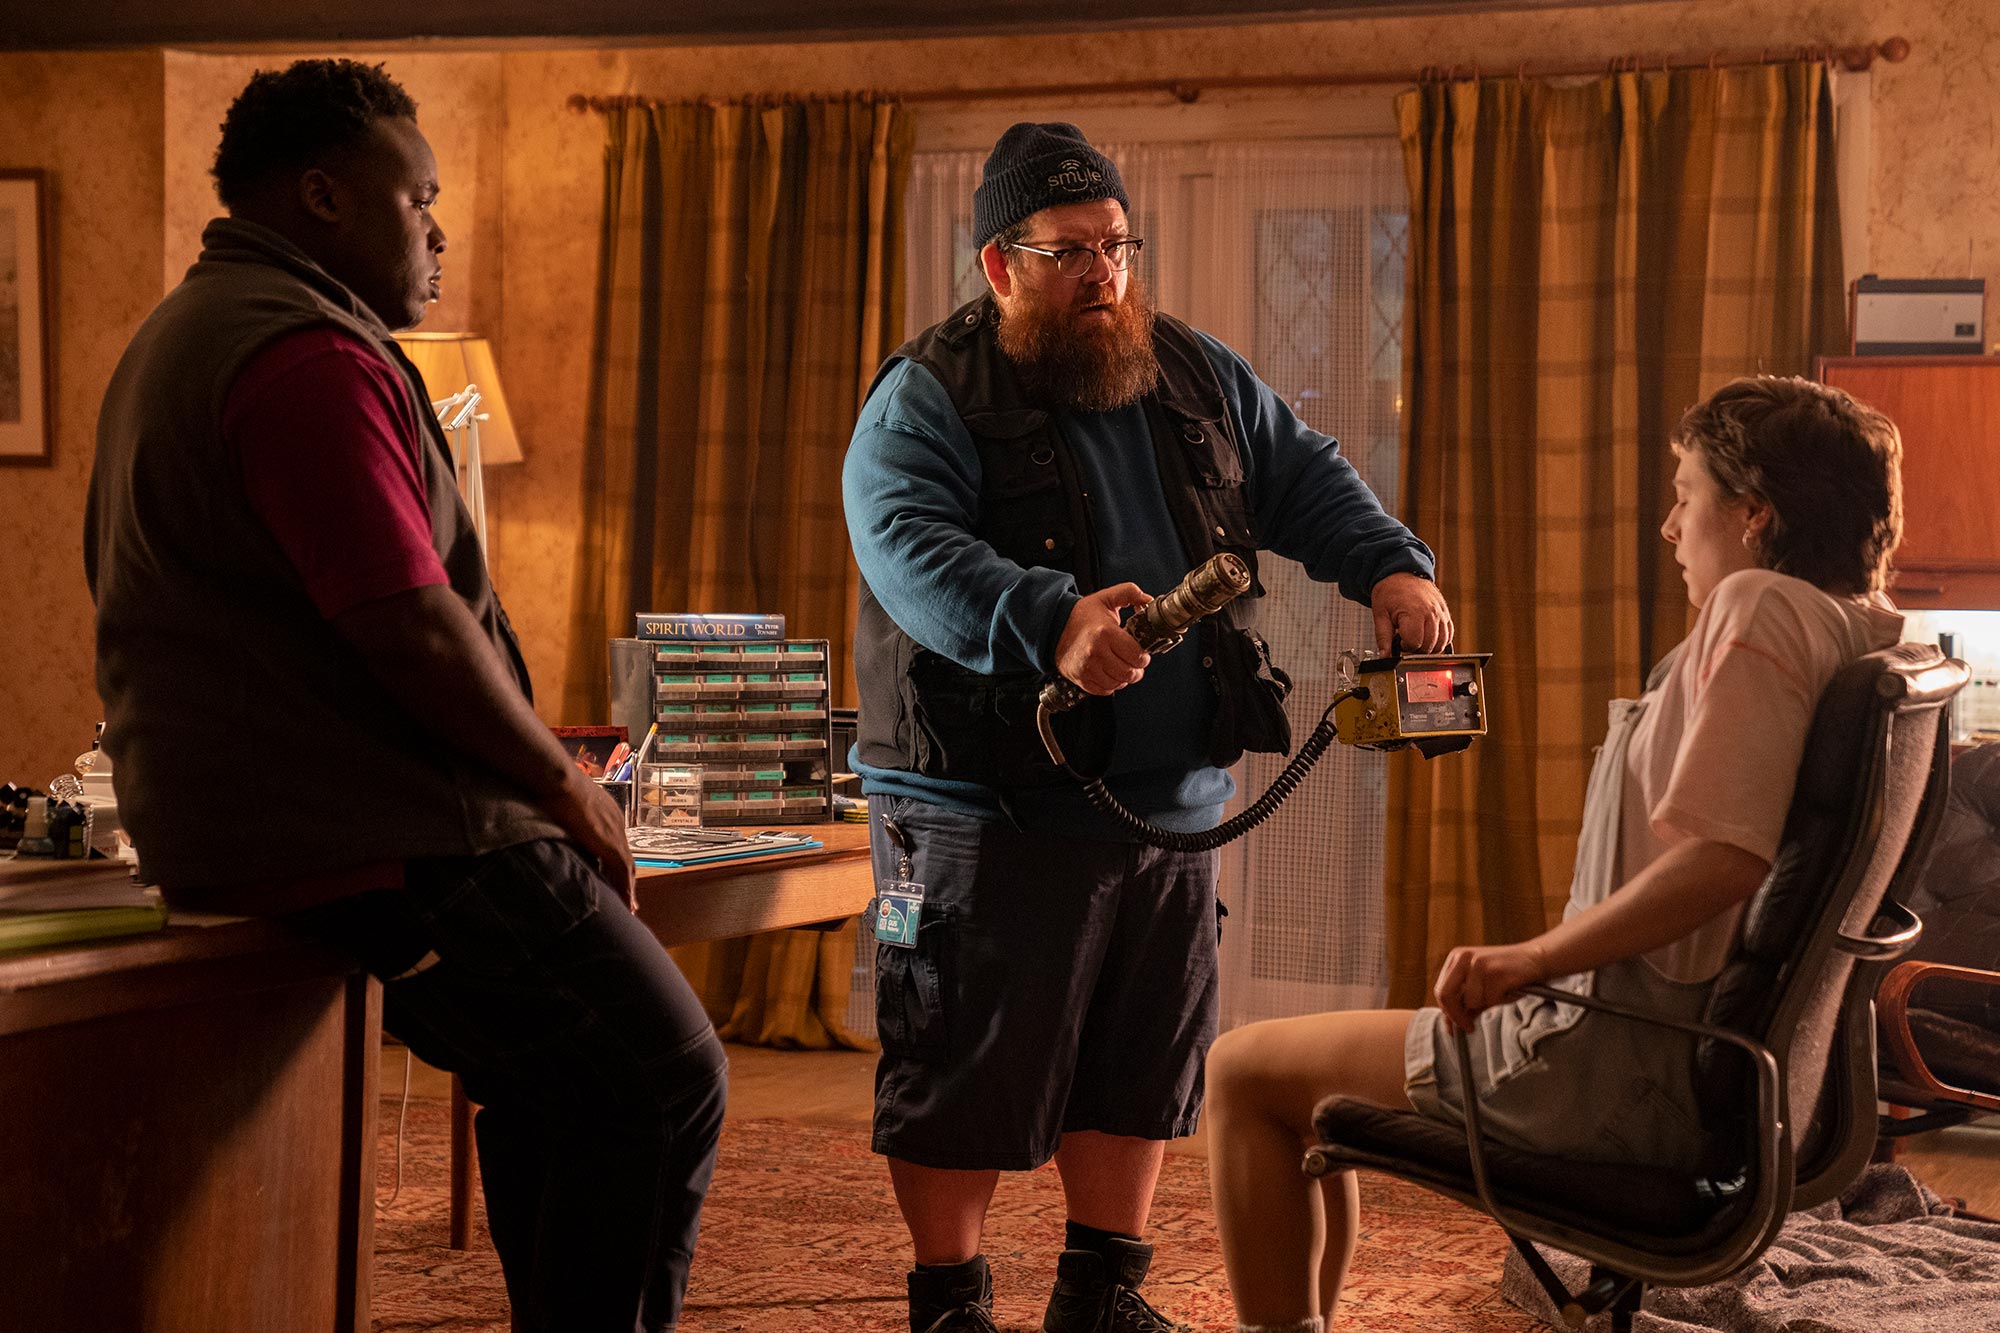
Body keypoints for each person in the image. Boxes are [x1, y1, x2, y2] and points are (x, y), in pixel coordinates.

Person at [84, 59, 725, 1333]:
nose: (436, 227)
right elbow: (408, 622)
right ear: (323, 194)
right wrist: (561, 786)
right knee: (662, 1076)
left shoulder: (200, 326)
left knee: (557, 1083)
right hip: (390, 837)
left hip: (292, 825)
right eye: (416, 194)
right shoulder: (302, 357)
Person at [841, 121, 1454, 1333]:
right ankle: (948, 1302)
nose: (1102, 275)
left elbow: (1301, 471)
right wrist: (1049, 619)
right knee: (960, 1066)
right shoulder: (926, 392)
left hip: (1168, 805)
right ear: (999, 265)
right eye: (1070, 252)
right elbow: (905, 545)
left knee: (1139, 1062)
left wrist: (1389, 566)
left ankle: (1099, 1292)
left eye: (1116, 247)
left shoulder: (1188, 368)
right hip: (982, 806)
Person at [1203, 376, 1907, 1333]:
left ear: (1754, 515)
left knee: (1243, 1071)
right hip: (1697, 1063)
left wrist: (1529, 961)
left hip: (1608, 1065)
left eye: (1685, 494)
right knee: (1308, 1089)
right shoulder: (1859, 637)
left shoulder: (1760, 608)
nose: (1669, 526)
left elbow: (1726, 861)